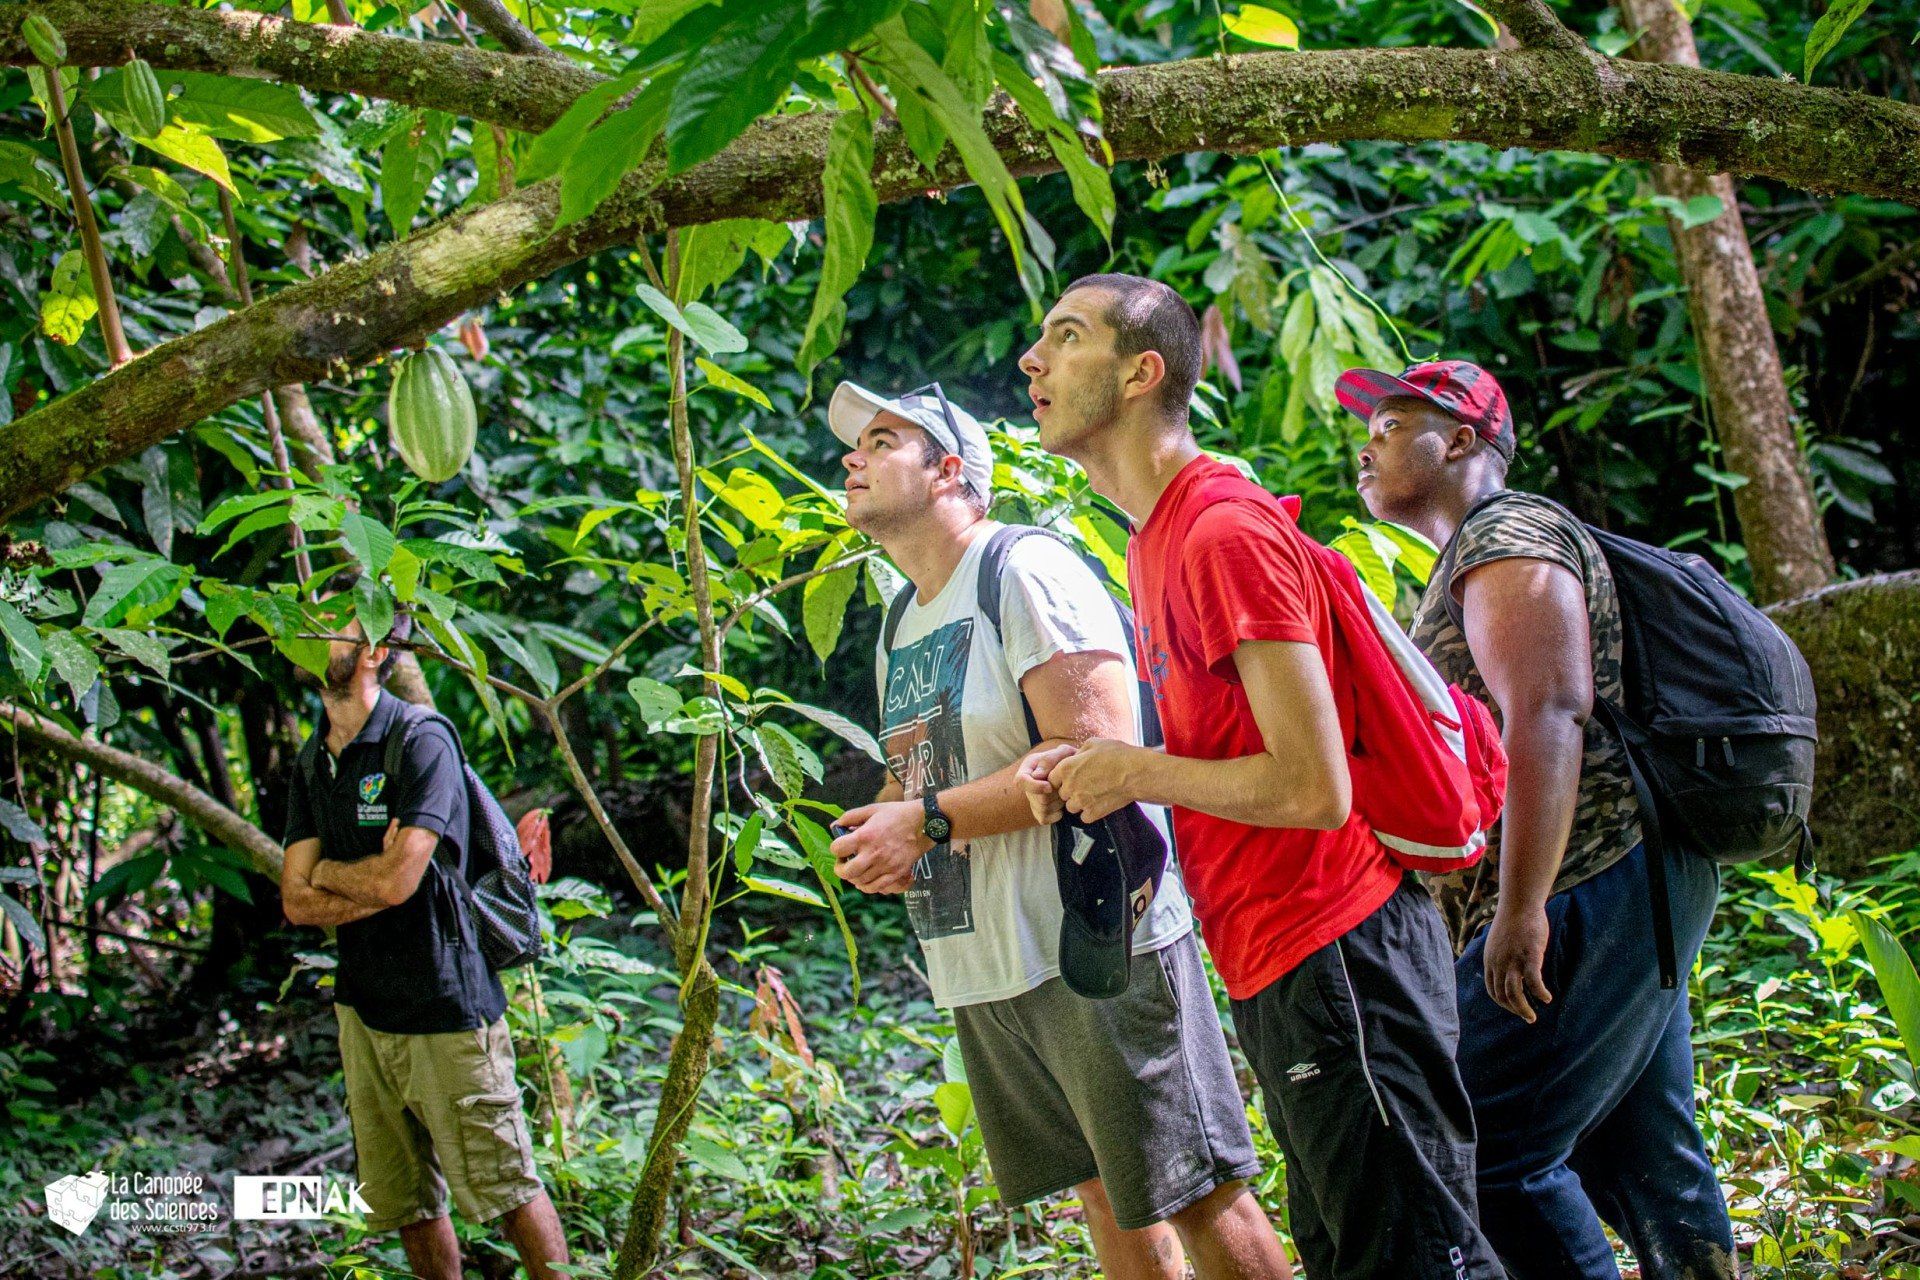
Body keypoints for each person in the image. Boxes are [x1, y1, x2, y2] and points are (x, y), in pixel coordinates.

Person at [1016, 275, 1502, 1280]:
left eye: (1064, 339)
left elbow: (1312, 786)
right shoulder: (1156, 538)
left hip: (1340, 946)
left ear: (1143, 370)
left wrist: (1134, 769)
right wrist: (1099, 768)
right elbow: (1224, 742)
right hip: (1280, 956)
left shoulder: (1221, 531)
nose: (1032, 360)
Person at [825, 381, 1293, 1280]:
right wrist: (884, 824)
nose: (853, 457)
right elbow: (926, 772)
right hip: (985, 955)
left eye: (882, 441)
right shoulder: (898, 617)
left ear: (950, 471)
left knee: (1194, 1190)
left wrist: (920, 823)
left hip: (1092, 934)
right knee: (1103, 1191)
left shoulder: (1022, 568)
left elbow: (1094, 750)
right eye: (857, 444)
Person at [1347, 359, 1737, 1279]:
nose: (1370, 440)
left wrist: (1519, 910)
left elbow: (1551, 708)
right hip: (1625, 877)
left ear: (1468, 441)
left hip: (1587, 878)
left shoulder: (1508, 532)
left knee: (1489, 1153)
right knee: (1644, 1155)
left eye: (1398, 423)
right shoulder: (1474, 554)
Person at [278, 585, 569, 1280]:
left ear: (375, 651)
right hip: (364, 1010)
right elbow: (294, 897)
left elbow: (399, 882)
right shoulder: (313, 757)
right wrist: (365, 877)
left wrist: (336, 877)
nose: (312, 633)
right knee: (406, 1204)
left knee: (506, 1189)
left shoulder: (421, 739)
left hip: (446, 1006)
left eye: (333, 626)